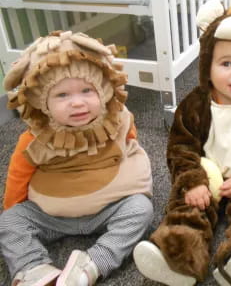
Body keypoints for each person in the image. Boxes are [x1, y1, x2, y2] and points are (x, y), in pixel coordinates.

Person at [133, 0, 231, 286]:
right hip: (207, 175)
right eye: (226, 63)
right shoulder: (194, 105)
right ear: (207, 64)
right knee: (186, 206)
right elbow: (180, 147)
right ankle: (178, 259)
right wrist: (193, 180)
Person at [0, 31, 153, 286]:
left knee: (141, 209)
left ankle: (93, 264)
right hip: (53, 214)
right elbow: (18, 173)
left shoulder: (117, 120)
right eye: (62, 95)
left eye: (86, 91)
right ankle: (32, 268)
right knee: (9, 221)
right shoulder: (35, 137)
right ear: (43, 101)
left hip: (109, 206)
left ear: (103, 91)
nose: (78, 103)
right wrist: (13, 206)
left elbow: (130, 141)